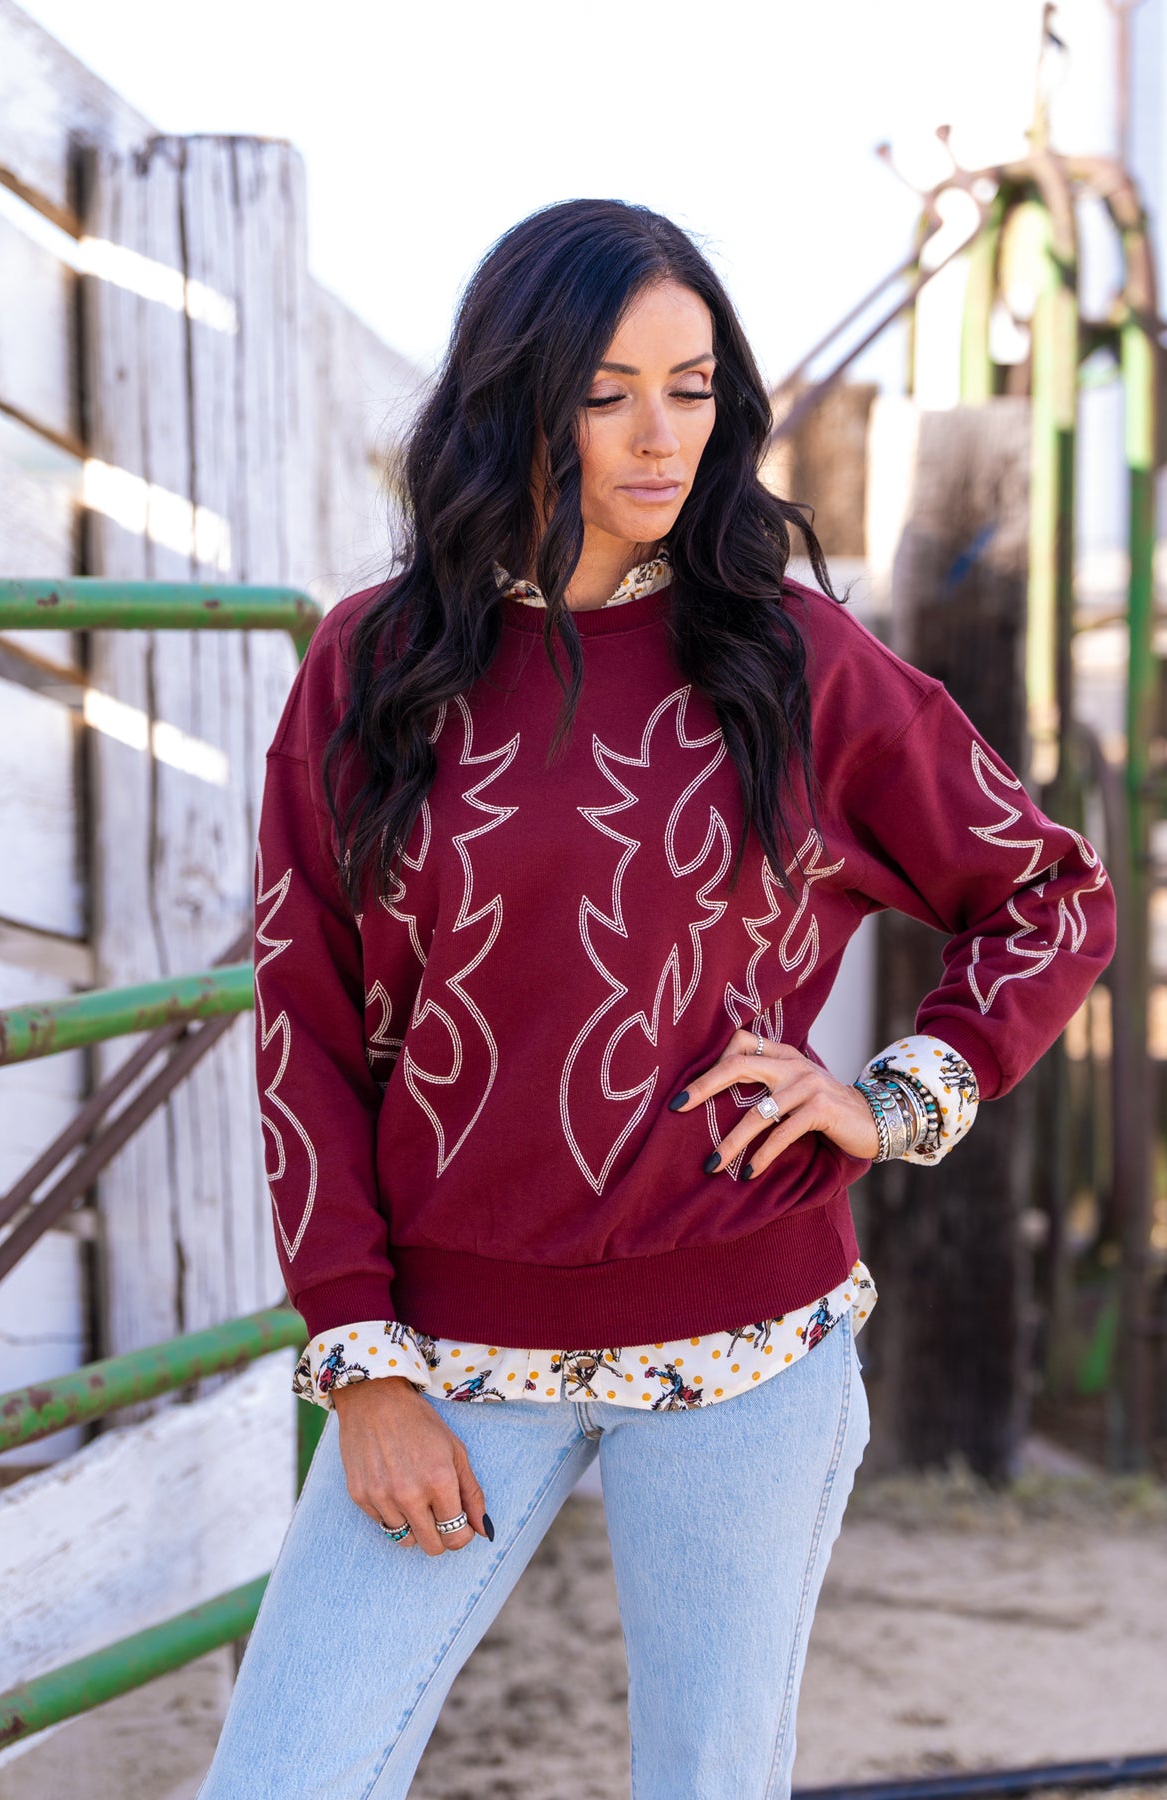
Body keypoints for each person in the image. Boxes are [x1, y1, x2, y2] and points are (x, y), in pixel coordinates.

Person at [197, 198, 1115, 1799]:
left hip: (748, 1345)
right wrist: (361, 1361)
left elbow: (1051, 894)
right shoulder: (369, 666)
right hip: (448, 1352)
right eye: (606, 391)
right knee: (285, 1776)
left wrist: (893, 1100)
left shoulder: (794, 659)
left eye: (691, 390)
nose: (659, 435)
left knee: (708, 1779)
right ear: (514, 399)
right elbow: (309, 1029)